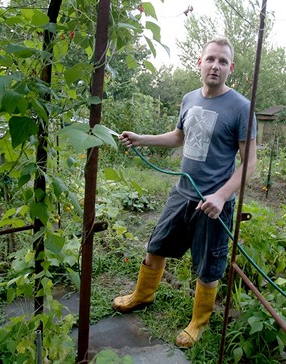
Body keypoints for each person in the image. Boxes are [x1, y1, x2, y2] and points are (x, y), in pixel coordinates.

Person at [113, 37, 257, 348]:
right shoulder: (190, 98)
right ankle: (143, 294)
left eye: (222, 61)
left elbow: (250, 163)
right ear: (199, 63)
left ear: (231, 68)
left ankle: (199, 322)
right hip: (182, 192)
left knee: (208, 266)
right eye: (210, 59)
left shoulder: (242, 108)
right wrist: (141, 139)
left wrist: (221, 196)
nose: (215, 66)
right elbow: (178, 137)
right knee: (156, 245)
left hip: (213, 203)